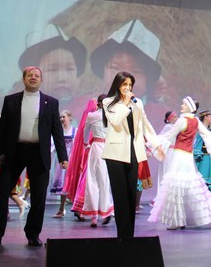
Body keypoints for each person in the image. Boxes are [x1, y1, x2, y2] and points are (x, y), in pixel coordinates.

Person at [0, 66, 69, 247]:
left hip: (39, 153)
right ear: (24, 79)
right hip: (14, 152)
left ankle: (33, 234)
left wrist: (62, 156)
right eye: (29, 75)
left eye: (37, 76)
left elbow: (57, 131)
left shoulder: (51, 102)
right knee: (1, 193)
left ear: (41, 80)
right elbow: (3, 129)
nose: (33, 78)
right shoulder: (10, 100)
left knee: (38, 196)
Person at [148, 96, 211, 229]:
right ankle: (210, 215)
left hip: (179, 157)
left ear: (190, 107)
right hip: (188, 157)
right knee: (194, 188)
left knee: (177, 187)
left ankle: (176, 221)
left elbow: (169, 136)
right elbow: (208, 135)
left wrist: (153, 144)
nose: (182, 106)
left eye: (184, 104)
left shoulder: (182, 121)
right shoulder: (195, 120)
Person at [102, 71, 163, 238]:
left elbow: (145, 124)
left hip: (134, 152)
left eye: (130, 85)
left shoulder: (138, 103)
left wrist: (156, 144)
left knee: (131, 194)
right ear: (118, 85)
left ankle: (129, 235)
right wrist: (125, 102)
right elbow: (115, 122)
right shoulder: (108, 102)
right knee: (120, 194)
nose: (128, 88)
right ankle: (122, 235)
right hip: (115, 155)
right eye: (125, 85)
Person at [79, 94, 114, 227]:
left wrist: (86, 143)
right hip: (108, 148)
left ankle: (94, 215)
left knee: (92, 180)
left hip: (96, 147)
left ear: (97, 103)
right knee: (105, 180)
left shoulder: (92, 116)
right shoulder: (111, 115)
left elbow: (85, 132)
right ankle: (105, 211)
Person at [51, 109, 76, 218]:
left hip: (72, 159)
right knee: (63, 184)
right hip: (61, 160)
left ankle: (78, 209)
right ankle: (61, 209)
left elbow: (78, 146)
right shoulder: (58, 132)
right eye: (60, 117)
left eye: (63, 117)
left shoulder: (75, 131)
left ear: (69, 118)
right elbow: (52, 146)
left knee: (73, 183)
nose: (61, 119)